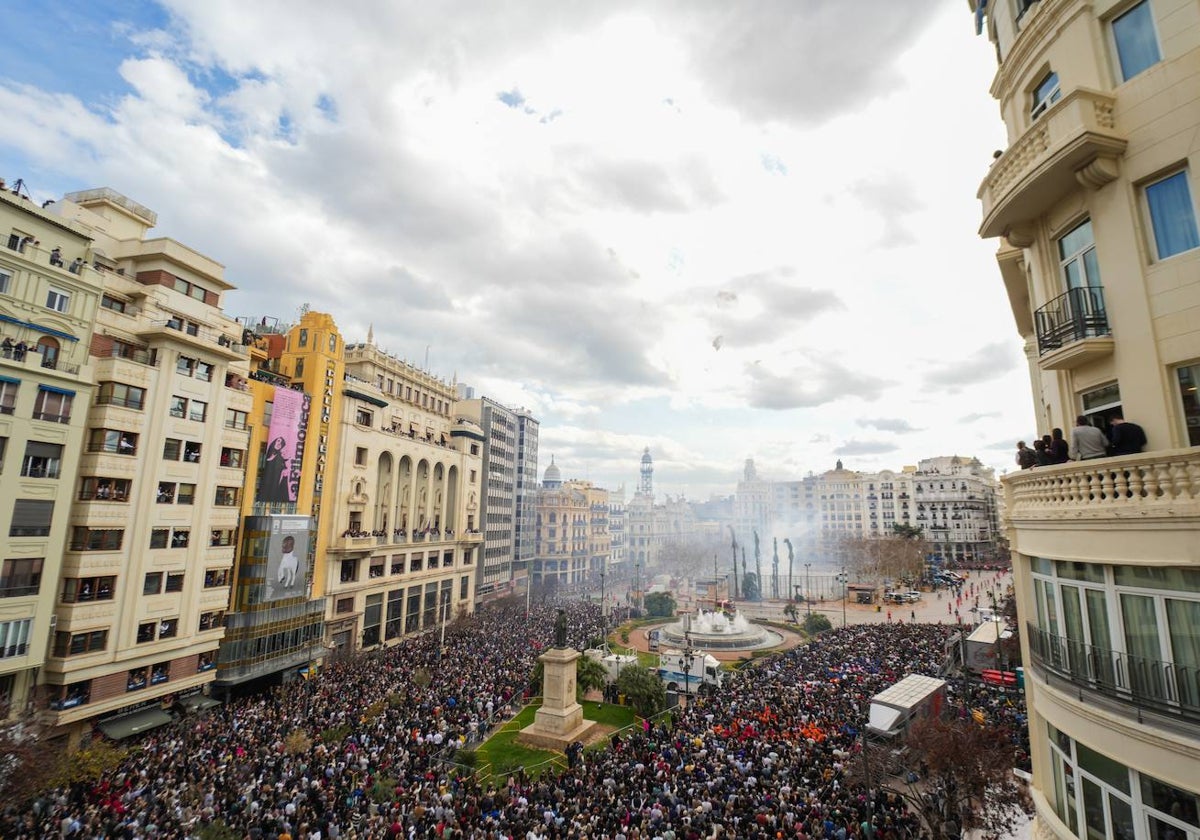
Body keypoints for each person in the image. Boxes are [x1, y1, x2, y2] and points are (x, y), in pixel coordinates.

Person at [259, 435, 292, 502]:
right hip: (266, 481)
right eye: (278, 441)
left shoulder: (280, 456)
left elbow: (284, 468)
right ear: (275, 442)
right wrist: (270, 459)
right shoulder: (269, 452)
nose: (279, 444)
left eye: (281, 443)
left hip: (275, 484)